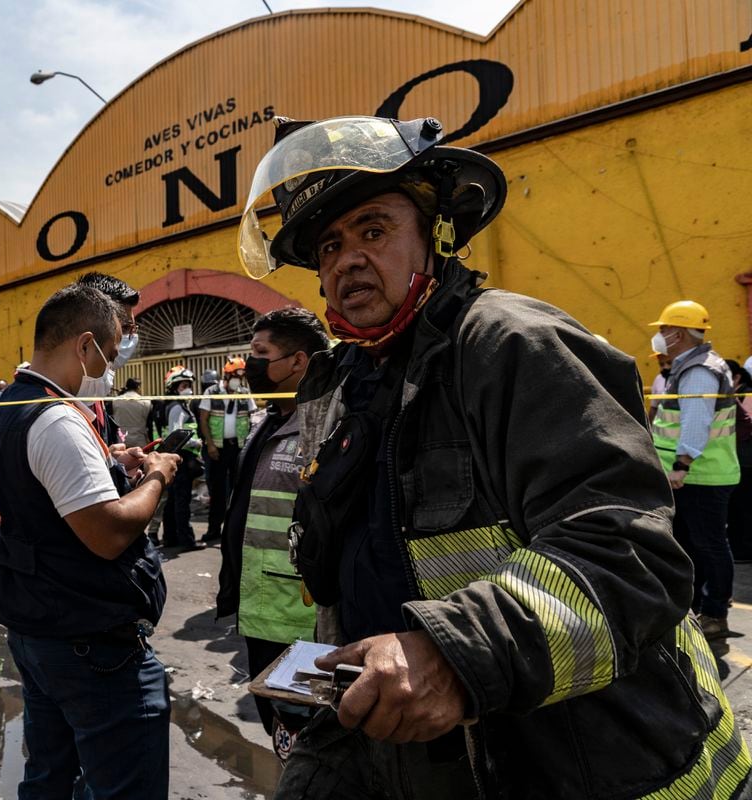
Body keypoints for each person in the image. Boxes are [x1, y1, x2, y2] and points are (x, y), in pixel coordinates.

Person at [236, 114, 749, 797]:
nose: (346, 259)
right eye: (328, 245)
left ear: (435, 233)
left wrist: (457, 654)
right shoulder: (343, 385)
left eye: (373, 229)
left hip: (590, 760)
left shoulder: (510, 344)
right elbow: (355, 589)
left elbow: (629, 556)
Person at [0, 282, 180, 799]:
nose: (111, 368)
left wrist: (110, 461)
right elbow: (109, 533)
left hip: (38, 623)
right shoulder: (56, 420)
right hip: (89, 642)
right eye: (110, 354)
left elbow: (40, 488)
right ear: (85, 347)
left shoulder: (9, 404)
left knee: (50, 776)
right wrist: (156, 477)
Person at [215, 307, 329, 760]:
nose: (249, 366)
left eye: (260, 354)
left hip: (303, 622)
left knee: (312, 751)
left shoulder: (325, 427)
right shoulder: (267, 423)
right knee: (283, 738)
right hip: (261, 612)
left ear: (299, 362)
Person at [649, 300, 742, 655]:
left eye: (662, 330)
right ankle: (697, 610)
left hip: (699, 475)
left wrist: (681, 466)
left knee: (709, 545)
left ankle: (714, 614)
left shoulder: (699, 371)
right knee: (695, 545)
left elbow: (696, 422)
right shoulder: (693, 365)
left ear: (678, 332)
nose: (659, 336)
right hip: (696, 474)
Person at [75, 272, 142, 444]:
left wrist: (115, 461)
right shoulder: (52, 415)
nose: (130, 337)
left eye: (133, 328)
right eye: (125, 328)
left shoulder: (92, 393)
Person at [198, 356, 257, 544]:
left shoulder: (244, 393)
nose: (238, 380)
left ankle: (235, 530)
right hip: (218, 450)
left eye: (241, 377)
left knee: (237, 489)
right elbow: (203, 420)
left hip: (238, 448)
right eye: (236, 376)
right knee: (217, 491)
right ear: (227, 375)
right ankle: (214, 529)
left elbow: (253, 418)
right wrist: (210, 444)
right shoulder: (212, 391)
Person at [162, 365, 202, 550]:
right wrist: (197, 443)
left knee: (173, 501)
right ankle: (186, 540)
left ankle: (171, 537)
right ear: (173, 388)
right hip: (182, 458)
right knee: (181, 501)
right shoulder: (177, 408)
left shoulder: (179, 406)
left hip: (179, 458)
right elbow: (176, 434)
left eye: (188, 384)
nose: (187, 388)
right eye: (182, 385)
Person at [725, 360, 752, 562]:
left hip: (745, 460)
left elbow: (745, 427)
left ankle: (744, 549)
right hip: (737, 459)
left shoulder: (747, 394)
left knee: (743, 507)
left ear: (737, 377)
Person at [112, 377, 153, 449]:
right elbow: (149, 425)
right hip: (139, 440)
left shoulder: (116, 401)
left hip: (121, 440)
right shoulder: (146, 402)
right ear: (138, 387)